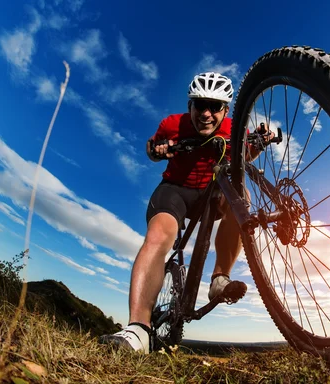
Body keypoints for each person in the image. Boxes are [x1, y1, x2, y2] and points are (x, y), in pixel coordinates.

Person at [99, 72, 272, 354]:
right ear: (189, 105)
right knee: (159, 236)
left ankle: (219, 279)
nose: (206, 113)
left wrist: (259, 143)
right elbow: (152, 149)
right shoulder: (172, 124)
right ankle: (138, 330)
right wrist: (157, 150)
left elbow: (243, 156)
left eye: (214, 107)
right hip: (175, 191)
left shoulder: (232, 128)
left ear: (225, 111)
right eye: (199, 105)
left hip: (211, 196)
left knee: (242, 196)